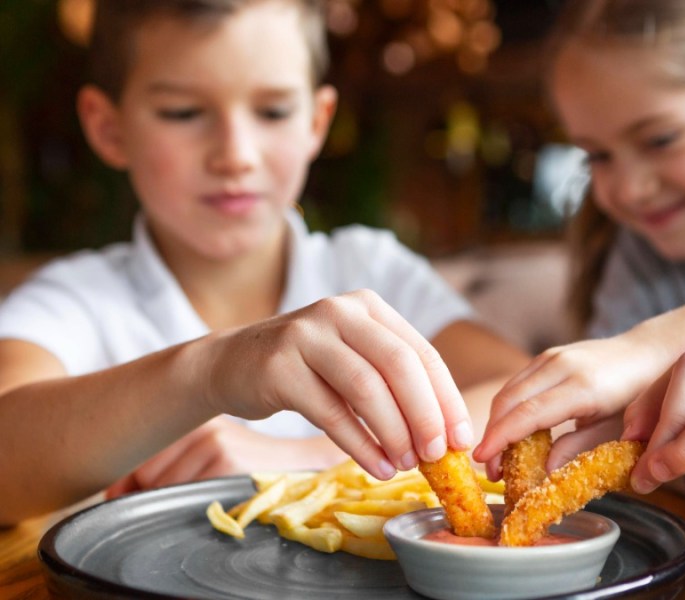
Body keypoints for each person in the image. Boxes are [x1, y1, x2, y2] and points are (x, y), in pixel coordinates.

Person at [0, 0, 530, 526]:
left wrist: (308, 462)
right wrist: (210, 372)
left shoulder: (370, 270)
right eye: (183, 113)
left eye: (273, 111)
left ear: (317, 121)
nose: (235, 154)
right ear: (109, 128)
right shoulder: (75, 301)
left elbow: (526, 397)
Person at [474, 0, 685, 508]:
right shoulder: (635, 254)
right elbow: (630, 436)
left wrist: (645, 349)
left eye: (661, 139)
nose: (629, 189)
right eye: (598, 155)